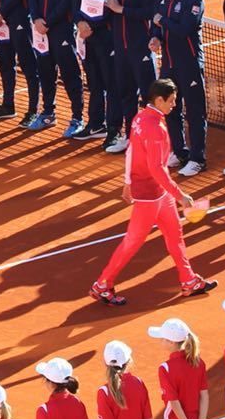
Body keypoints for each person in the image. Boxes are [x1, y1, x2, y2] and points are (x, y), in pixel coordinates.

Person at [90, 80, 215, 305]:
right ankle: (102, 284)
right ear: (159, 100)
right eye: (172, 100)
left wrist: (127, 181)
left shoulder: (140, 118)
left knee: (175, 233)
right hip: (150, 193)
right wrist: (180, 195)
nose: (174, 104)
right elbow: (157, 169)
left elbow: (131, 151)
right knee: (133, 241)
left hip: (156, 192)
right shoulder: (155, 128)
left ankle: (188, 280)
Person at [24, 0, 82, 136]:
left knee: (69, 74)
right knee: (45, 71)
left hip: (61, 29)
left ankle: (77, 117)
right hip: (40, 29)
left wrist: (47, 21)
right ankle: (48, 112)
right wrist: (36, 17)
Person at [151, 0, 205, 177]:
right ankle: (180, 151)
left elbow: (185, 29)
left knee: (194, 113)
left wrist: (162, 22)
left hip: (189, 64)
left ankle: (197, 158)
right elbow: (156, 26)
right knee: (170, 109)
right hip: (169, 64)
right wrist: (155, 37)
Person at [102, 0, 154, 154]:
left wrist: (121, 9)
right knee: (126, 93)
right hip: (119, 47)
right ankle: (131, 136)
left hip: (139, 47)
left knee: (148, 95)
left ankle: (150, 139)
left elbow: (150, 11)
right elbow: (108, 6)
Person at [74, 0, 113, 139]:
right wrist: (80, 22)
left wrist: (92, 26)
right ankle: (97, 124)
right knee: (94, 81)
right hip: (85, 34)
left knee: (108, 82)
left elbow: (109, 4)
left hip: (103, 35)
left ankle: (112, 127)